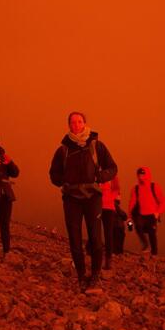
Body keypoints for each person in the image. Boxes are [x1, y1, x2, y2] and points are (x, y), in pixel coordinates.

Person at [48, 111, 118, 291]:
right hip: (71, 198)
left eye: (79, 121)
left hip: (93, 197)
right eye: (73, 122)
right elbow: (53, 174)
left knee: (95, 238)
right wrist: (62, 181)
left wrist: (100, 176)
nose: (76, 125)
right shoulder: (63, 150)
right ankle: (81, 276)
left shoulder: (97, 146)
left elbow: (112, 167)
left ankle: (95, 276)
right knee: (75, 238)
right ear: (69, 125)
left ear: (85, 123)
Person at [128, 167, 165, 255]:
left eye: (142, 174)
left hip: (152, 215)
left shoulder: (154, 186)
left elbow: (162, 201)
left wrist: (158, 212)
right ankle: (146, 245)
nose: (140, 177)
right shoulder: (136, 189)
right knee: (138, 227)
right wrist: (129, 216)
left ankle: (154, 254)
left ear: (147, 175)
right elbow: (132, 202)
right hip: (141, 214)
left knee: (152, 233)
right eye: (139, 175)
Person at [99, 176, 123, 269]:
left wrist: (108, 198)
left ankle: (108, 259)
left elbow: (116, 187)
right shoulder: (96, 171)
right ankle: (98, 257)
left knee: (108, 234)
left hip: (108, 208)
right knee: (95, 232)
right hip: (97, 206)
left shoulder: (112, 173)